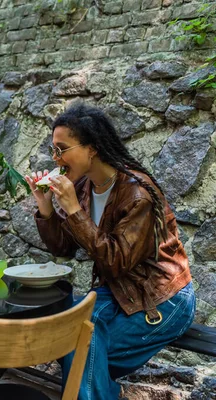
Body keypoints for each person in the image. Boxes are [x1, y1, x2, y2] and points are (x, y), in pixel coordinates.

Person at [24, 103, 195, 400]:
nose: (56, 159)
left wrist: (75, 211)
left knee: (76, 350)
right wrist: (46, 208)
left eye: (62, 149)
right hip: (116, 291)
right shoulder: (83, 187)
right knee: (71, 332)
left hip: (161, 297)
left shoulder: (137, 193)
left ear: (91, 148)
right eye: (54, 150)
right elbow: (63, 248)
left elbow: (116, 261)